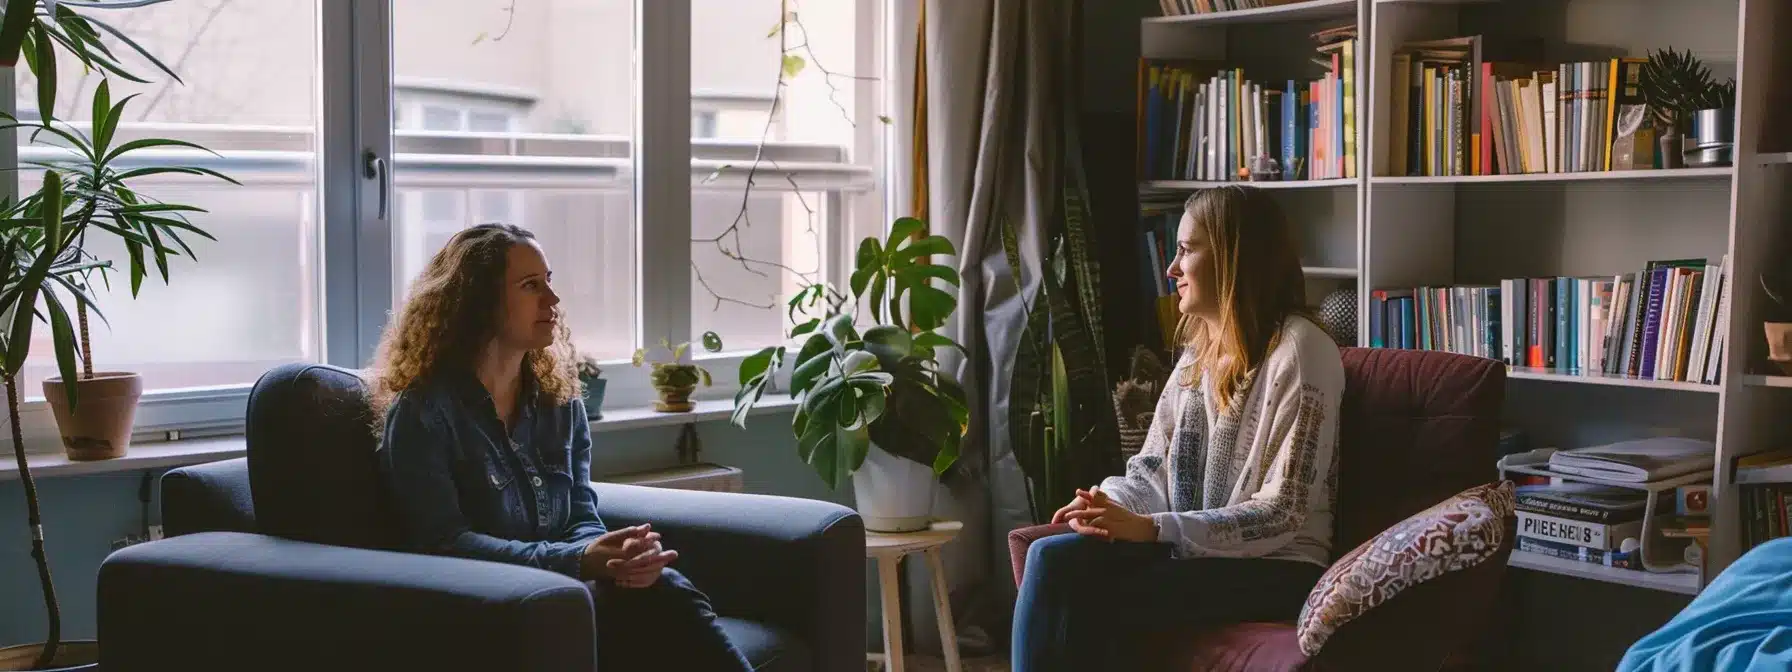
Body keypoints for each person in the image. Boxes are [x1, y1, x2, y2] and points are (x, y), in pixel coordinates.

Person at [370, 223, 751, 671]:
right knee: (658, 604)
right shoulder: (424, 413)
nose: (552, 300)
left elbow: (580, 512)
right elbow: (444, 545)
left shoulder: (559, 397)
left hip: (570, 593)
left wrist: (614, 558)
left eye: (548, 281)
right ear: (478, 302)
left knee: (661, 587)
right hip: (490, 607)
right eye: (531, 286)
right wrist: (579, 560)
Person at [1011, 185, 1346, 671]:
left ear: (1233, 256)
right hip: (1195, 551)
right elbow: (1151, 468)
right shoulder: (1199, 354)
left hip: (1278, 567)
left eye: (1187, 250)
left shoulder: (1302, 350)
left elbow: (1284, 511)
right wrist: (1109, 504)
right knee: (1049, 556)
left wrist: (1152, 530)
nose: (1171, 269)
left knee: (1094, 598)